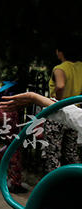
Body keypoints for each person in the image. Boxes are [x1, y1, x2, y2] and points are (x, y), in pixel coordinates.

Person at [42, 43, 82, 172]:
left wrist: (59, 102)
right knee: (71, 152)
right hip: (74, 113)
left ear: (60, 52)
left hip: (58, 114)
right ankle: (75, 181)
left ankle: (54, 186)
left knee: (53, 152)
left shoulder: (60, 68)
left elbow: (60, 86)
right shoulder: (81, 67)